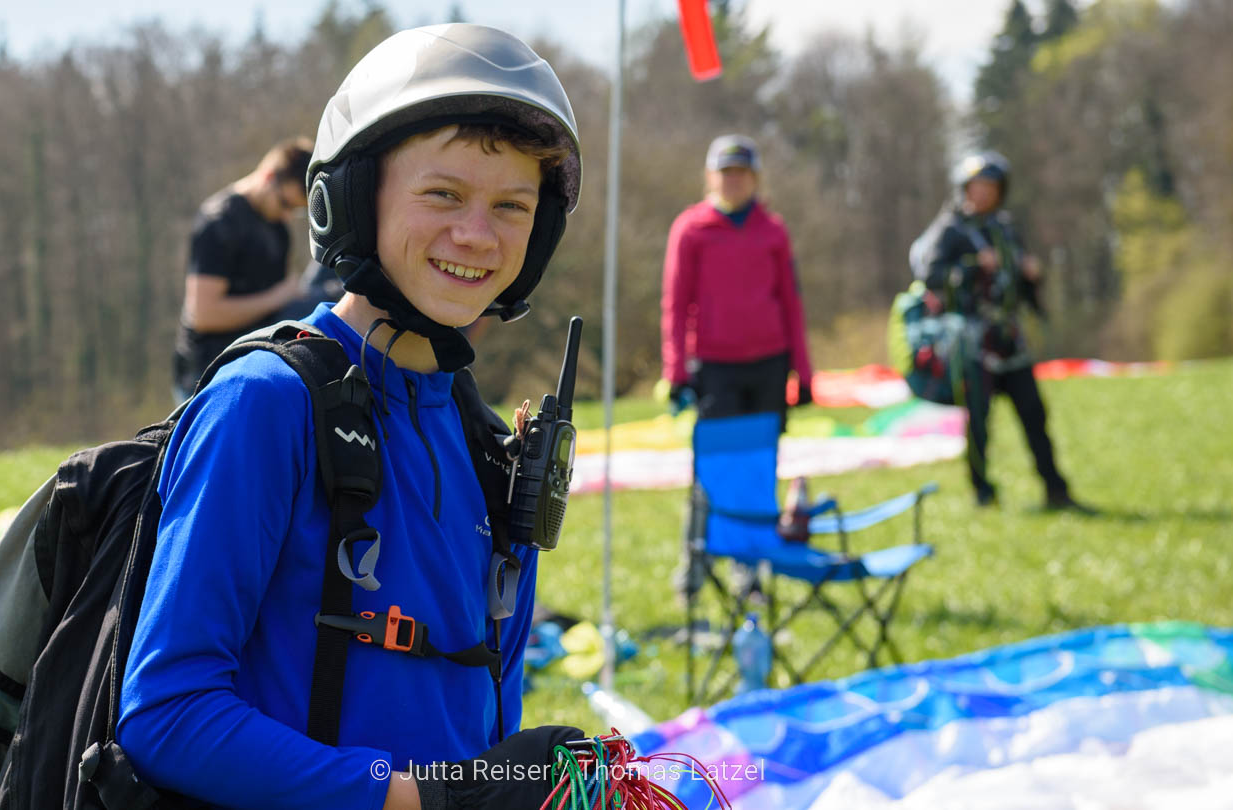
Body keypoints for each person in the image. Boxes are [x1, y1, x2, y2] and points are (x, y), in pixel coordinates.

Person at [119, 25, 584, 809]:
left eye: (512, 206)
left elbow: (477, 728)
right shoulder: (265, 404)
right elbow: (166, 713)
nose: (477, 235)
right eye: (443, 194)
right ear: (351, 200)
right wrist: (417, 799)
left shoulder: (485, 443)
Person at [912, 150, 1091, 512]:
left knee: (1034, 414)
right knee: (979, 422)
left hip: (1010, 340)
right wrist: (972, 266)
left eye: (990, 187)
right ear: (965, 189)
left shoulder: (1005, 229)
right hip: (973, 344)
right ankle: (982, 493)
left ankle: (1056, 490)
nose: (983, 194)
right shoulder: (951, 230)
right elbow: (931, 276)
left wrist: (1031, 276)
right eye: (977, 187)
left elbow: (1017, 285)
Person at [660, 134, 813, 428]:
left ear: (755, 178)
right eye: (726, 172)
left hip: (770, 363)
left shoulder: (774, 230)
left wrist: (803, 372)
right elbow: (675, 305)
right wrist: (676, 373)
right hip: (714, 365)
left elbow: (791, 303)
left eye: (741, 172)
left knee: (761, 452)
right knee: (721, 450)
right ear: (710, 176)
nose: (734, 179)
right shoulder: (690, 229)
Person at [171, 137, 313, 401]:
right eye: (286, 204)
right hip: (204, 377)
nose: (287, 216)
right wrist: (279, 296)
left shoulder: (277, 228)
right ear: (269, 176)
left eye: (296, 211)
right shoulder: (218, 221)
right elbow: (204, 315)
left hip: (250, 367)